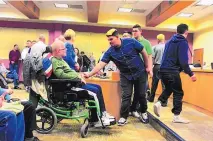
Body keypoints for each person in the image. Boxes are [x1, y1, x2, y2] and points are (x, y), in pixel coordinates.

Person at [84, 29, 151, 126]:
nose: (110, 42)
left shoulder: (131, 42)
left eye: (111, 39)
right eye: (108, 40)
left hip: (140, 72)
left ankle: (143, 112)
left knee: (141, 94)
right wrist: (89, 74)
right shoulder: (110, 51)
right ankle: (124, 116)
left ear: (117, 37)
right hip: (125, 75)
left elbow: (144, 51)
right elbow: (100, 64)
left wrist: (147, 66)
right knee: (126, 95)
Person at [51, 40, 115, 127]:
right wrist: (77, 77)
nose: (66, 50)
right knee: (94, 91)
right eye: (64, 49)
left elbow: (67, 73)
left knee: (98, 87)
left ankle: (99, 116)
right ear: (58, 51)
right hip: (69, 86)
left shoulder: (60, 60)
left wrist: (79, 75)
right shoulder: (55, 61)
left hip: (73, 83)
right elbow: (60, 74)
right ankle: (100, 119)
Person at [154, 24, 197, 124]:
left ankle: (159, 102)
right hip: (172, 71)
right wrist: (191, 73)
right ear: (186, 32)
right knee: (178, 92)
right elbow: (183, 61)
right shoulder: (182, 42)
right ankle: (176, 116)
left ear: (177, 31)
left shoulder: (169, 41)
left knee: (169, 88)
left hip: (163, 69)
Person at [129, 24, 153, 118]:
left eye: (136, 31)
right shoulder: (131, 42)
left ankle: (143, 111)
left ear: (140, 31)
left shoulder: (146, 42)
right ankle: (133, 109)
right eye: (133, 31)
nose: (134, 32)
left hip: (142, 70)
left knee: (141, 92)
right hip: (132, 70)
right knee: (134, 92)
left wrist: (149, 68)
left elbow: (150, 56)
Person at [147, 34, 166, 105]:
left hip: (157, 66)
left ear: (158, 39)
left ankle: (151, 98)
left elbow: (152, 58)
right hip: (165, 67)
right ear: (164, 39)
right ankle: (164, 102)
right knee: (164, 85)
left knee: (154, 83)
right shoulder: (167, 47)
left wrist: (150, 69)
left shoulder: (154, 47)